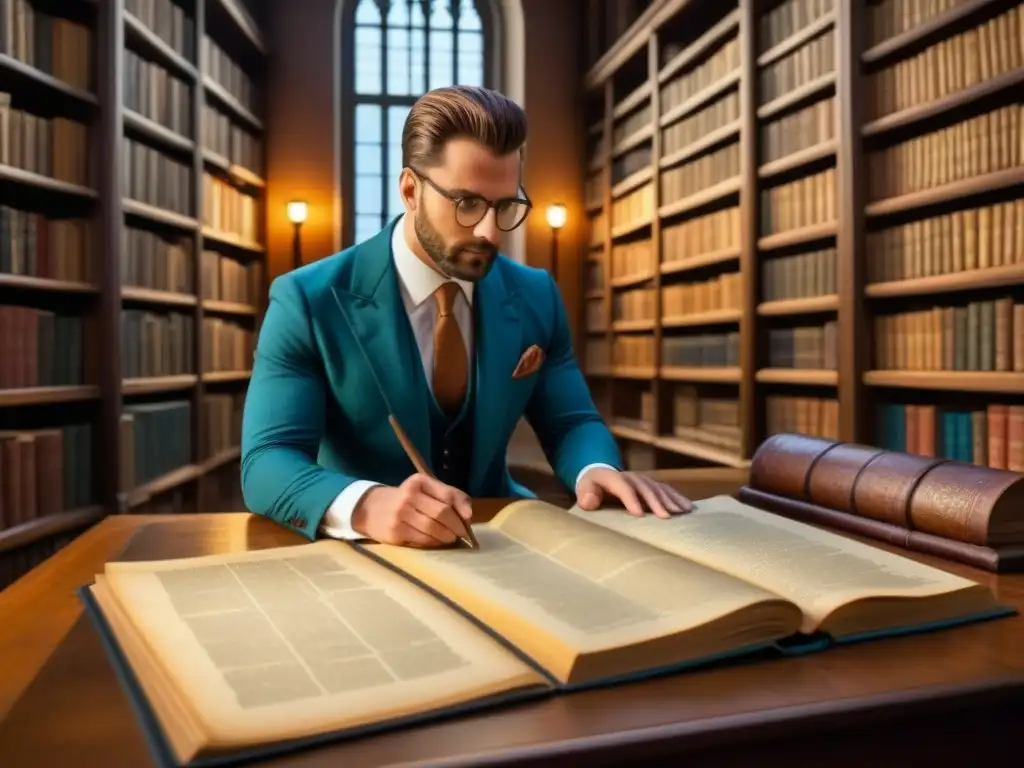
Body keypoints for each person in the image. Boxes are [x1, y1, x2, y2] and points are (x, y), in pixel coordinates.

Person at [240, 84, 692, 548]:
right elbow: (267, 460)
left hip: (500, 537)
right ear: (410, 190)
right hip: (366, 553)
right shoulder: (307, 299)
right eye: (467, 204)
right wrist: (369, 506)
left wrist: (594, 470)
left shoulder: (536, 294)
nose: (489, 232)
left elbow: (570, 422)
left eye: (506, 206)